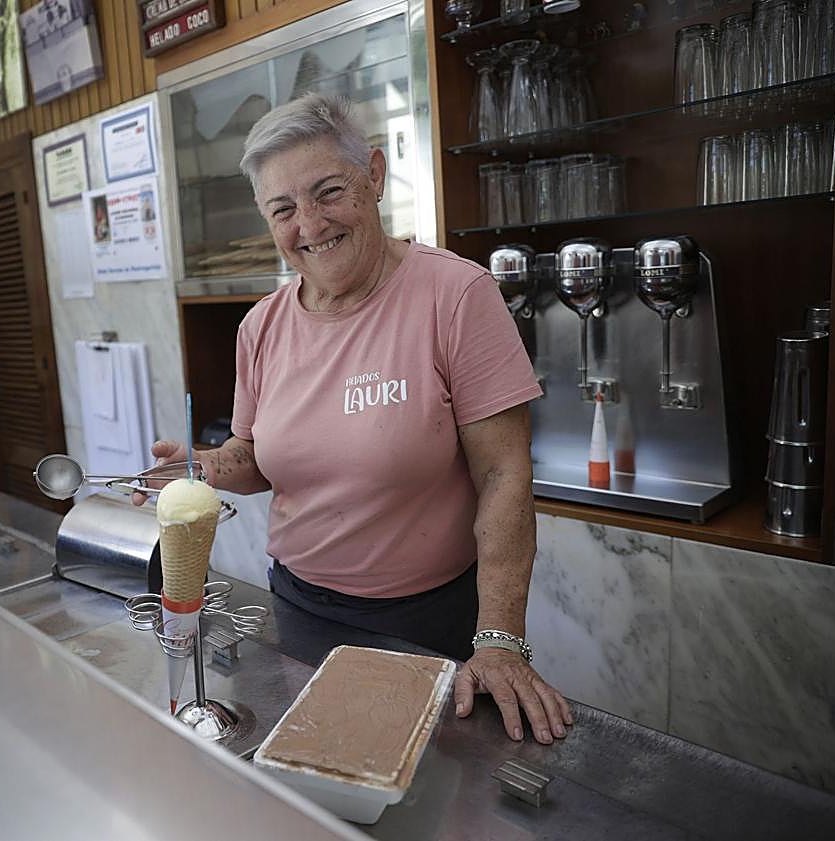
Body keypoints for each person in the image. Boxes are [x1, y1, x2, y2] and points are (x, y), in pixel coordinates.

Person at [135, 93, 571, 745]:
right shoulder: (261, 327)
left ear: (372, 173)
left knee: (435, 796)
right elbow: (255, 455)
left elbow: (505, 471)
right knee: (323, 776)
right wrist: (202, 466)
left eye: (327, 191)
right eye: (283, 209)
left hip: (432, 621)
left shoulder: (456, 296)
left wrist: (501, 638)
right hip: (303, 611)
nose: (309, 224)